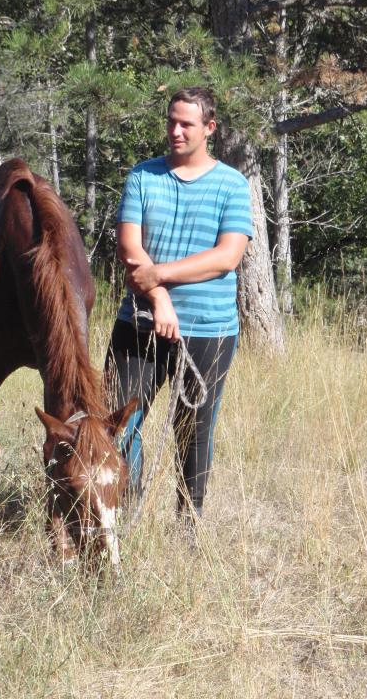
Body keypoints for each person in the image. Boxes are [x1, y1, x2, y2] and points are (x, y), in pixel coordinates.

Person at [105, 86, 252, 524]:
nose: (175, 131)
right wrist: (159, 299)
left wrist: (160, 276)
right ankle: (120, 513)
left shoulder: (231, 184)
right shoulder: (143, 177)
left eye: (186, 123)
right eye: (171, 121)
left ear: (209, 128)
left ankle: (188, 523)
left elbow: (228, 256)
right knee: (116, 422)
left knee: (193, 431)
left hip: (209, 329)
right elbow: (129, 247)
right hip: (140, 323)